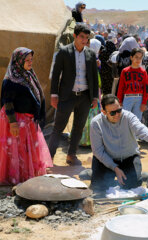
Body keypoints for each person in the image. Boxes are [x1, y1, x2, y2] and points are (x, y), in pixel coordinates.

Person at [0, 47, 53, 185]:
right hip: (16, 119)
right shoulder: (11, 80)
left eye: (31, 59)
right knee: (15, 149)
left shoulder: (28, 75)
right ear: (18, 61)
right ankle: (12, 176)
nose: (30, 62)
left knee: (26, 149)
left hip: (28, 119)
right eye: (27, 60)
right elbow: (8, 102)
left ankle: (27, 173)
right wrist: (13, 122)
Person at [89, 94, 148, 191]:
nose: (117, 115)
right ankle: (92, 173)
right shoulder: (96, 123)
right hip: (106, 158)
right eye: (112, 113)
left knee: (133, 185)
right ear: (104, 112)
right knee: (98, 187)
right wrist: (115, 168)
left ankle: (140, 176)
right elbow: (98, 151)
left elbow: (140, 129)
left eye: (119, 110)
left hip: (128, 158)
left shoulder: (128, 116)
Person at [48, 24, 99, 165]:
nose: (84, 40)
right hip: (67, 96)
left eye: (86, 38)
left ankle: (71, 155)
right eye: (82, 37)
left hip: (84, 96)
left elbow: (94, 77)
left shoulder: (90, 54)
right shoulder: (64, 52)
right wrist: (54, 94)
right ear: (75, 36)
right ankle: (49, 157)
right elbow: (56, 74)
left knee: (78, 127)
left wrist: (95, 97)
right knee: (58, 127)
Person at [117, 48, 148, 120]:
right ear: (131, 57)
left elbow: (146, 88)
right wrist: (120, 101)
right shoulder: (125, 71)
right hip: (127, 98)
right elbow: (121, 87)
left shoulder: (143, 72)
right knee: (125, 120)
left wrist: (144, 102)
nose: (138, 60)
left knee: (136, 121)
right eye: (136, 57)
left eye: (140, 58)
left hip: (139, 99)